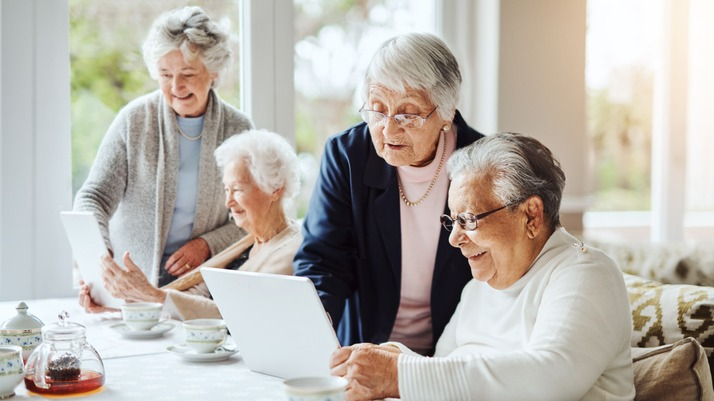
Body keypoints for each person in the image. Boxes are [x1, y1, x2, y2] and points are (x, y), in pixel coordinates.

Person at [329, 132, 636, 401]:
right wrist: (393, 356)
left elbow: (550, 377)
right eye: (452, 220)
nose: (454, 238)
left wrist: (398, 374)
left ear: (531, 215)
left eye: (469, 220)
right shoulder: (479, 287)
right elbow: (442, 373)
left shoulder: (586, 273)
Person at [293, 32, 484, 355]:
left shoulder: (483, 163)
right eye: (378, 110)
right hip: (367, 347)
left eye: (408, 114)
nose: (389, 129)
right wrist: (316, 324)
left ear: (447, 111)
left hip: (456, 353)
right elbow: (324, 259)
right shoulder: (348, 156)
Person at [73, 6, 253, 287]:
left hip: (203, 285)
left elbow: (256, 217)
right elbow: (93, 197)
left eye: (188, 74)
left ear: (214, 72)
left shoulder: (238, 130)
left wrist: (207, 244)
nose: (176, 86)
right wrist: (99, 257)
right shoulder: (134, 121)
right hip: (130, 282)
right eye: (165, 75)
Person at [79, 129, 303, 320]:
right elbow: (194, 295)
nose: (228, 202)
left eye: (237, 190)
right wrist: (120, 301)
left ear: (275, 188)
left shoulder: (294, 250)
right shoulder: (245, 243)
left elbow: (237, 315)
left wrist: (152, 296)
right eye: (226, 190)